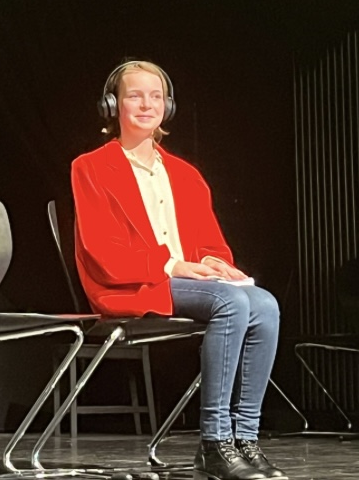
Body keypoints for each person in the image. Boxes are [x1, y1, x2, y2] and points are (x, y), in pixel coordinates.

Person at [70, 60, 285, 480]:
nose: (146, 105)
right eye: (134, 96)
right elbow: (103, 253)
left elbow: (212, 244)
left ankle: (246, 438)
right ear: (112, 105)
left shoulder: (186, 174)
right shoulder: (90, 167)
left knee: (265, 305)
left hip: (187, 281)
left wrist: (214, 263)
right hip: (130, 285)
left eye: (156, 97)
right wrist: (173, 264)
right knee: (230, 302)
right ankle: (214, 442)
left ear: (167, 107)